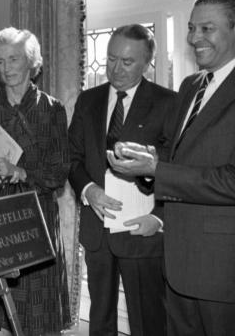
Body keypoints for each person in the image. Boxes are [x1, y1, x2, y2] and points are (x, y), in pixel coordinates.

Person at [108, 0, 235, 336]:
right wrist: (149, 163)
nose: (194, 37)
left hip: (228, 274)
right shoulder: (190, 86)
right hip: (179, 268)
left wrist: (158, 169)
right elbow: (177, 157)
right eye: (191, 28)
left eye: (206, 28)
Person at [68, 24, 175, 336]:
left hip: (140, 229)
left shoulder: (169, 102)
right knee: (99, 319)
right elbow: (72, 158)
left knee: (148, 319)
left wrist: (159, 217)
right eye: (111, 59)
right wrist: (89, 190)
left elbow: (176, 168)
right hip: (97, 229)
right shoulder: (88, 100)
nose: (116, 69)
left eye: (127, 62)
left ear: (147, 63)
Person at [0, 27, 70, 335]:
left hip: (37, 217)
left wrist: (20, 172)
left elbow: (59, 171)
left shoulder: (52, 109)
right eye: (0, 60)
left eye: (14, 59)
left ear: (32, 62)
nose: (7, 67)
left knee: (36, 315)